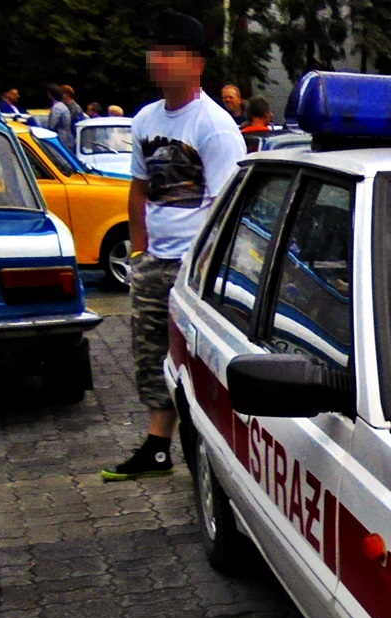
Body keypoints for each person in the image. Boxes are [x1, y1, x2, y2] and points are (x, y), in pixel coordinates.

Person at [103, 11, 246, 482]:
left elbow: (227, 207)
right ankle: (157, 447)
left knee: (199, 359)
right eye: (154, 52)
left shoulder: (215, 126)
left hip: (195, 267)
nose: (158, 60)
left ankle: (211, 449)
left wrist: (202, 268)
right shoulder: (145, 119)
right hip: (154, 261)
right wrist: (139, 253)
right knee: (149, 354)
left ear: (197, 63)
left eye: (169, 53)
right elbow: (138, 190)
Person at [45, 84, 75, 151]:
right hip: (68, 137)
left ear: (51, 94)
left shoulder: (56, 108)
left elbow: (52, 125)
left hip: (60, 138)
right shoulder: (63, 106)